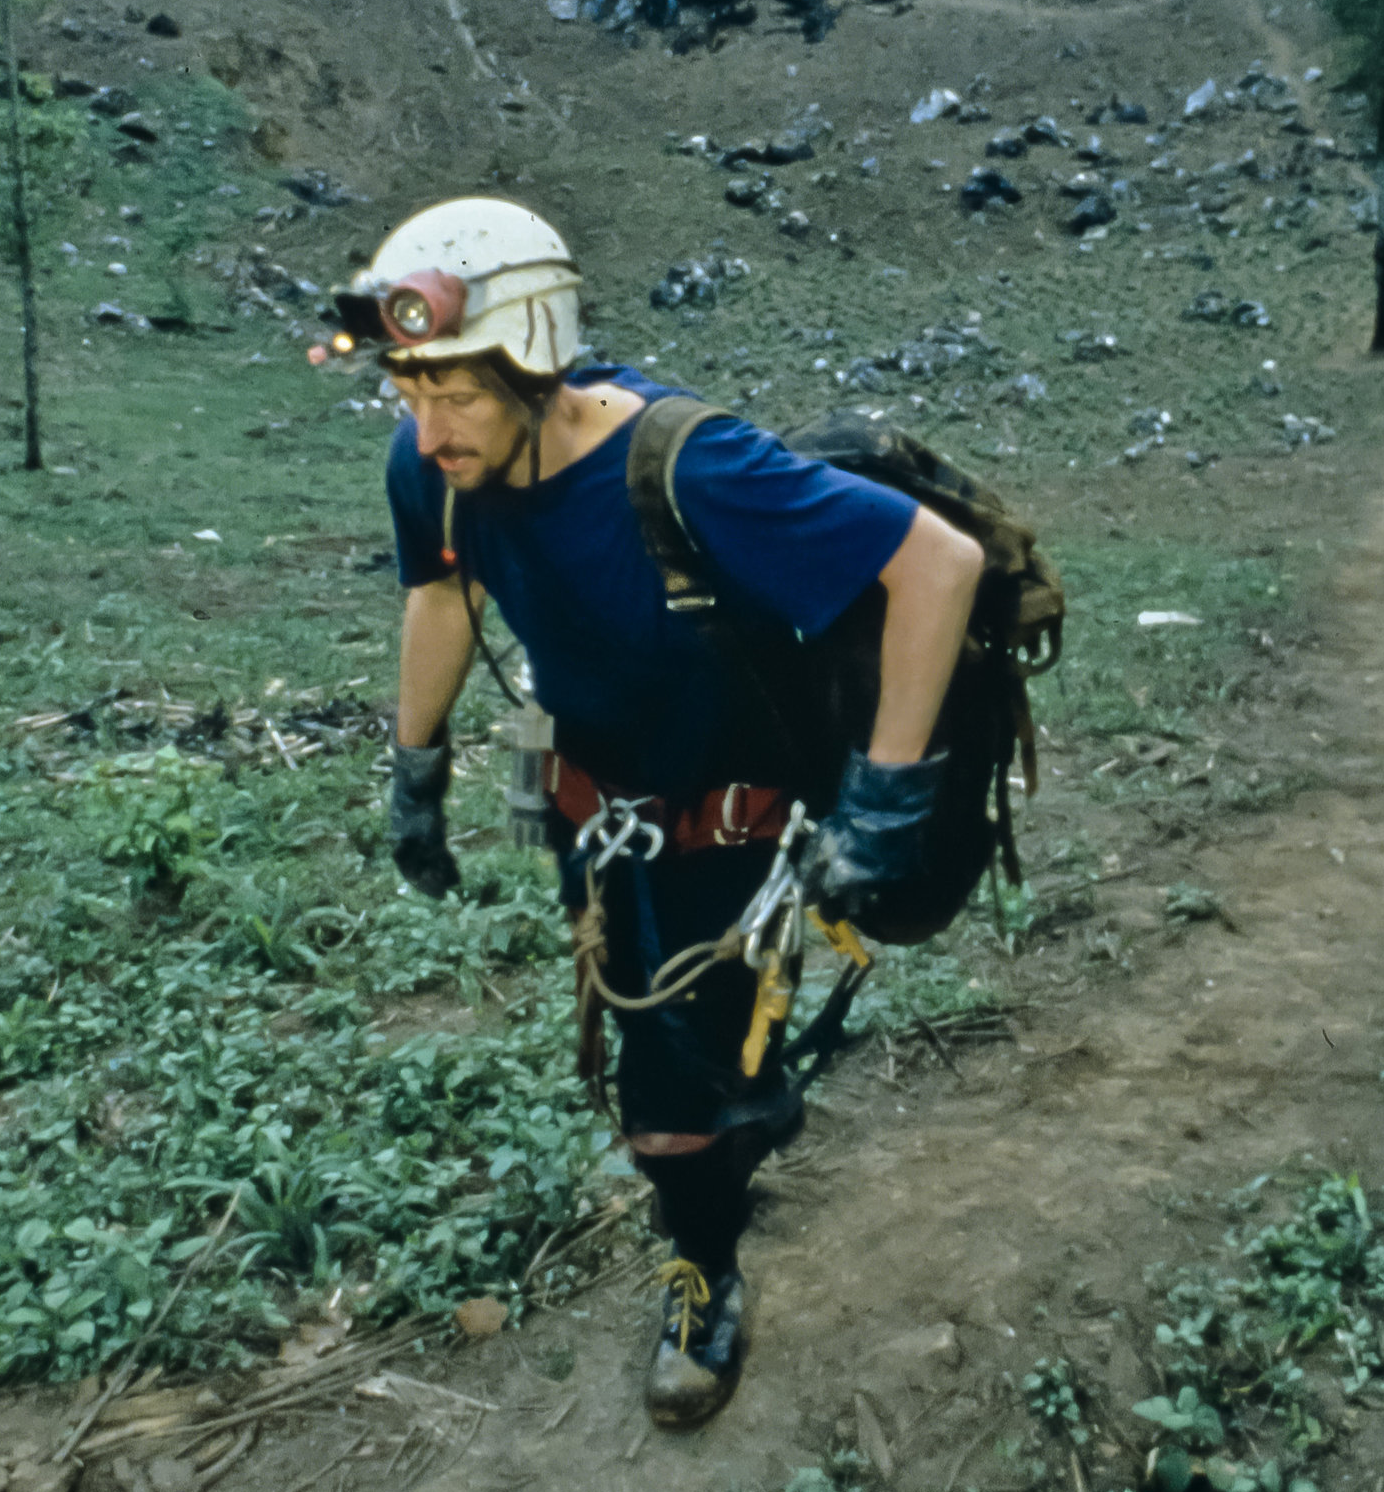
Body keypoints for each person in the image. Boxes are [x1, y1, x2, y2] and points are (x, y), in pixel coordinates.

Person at [331, 195, 982, 1429]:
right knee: (673, 1035)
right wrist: (414, 767)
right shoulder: (436, 466)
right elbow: (439, 595)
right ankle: (728, 1109)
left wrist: (887, 796)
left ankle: (703, 1269)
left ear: (534, 356)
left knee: (669, 1084)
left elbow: (936, 564)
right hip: (594, 809)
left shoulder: (688, 464)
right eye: (406, 392)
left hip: (733, 824)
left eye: (456, 393)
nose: (427, 429)